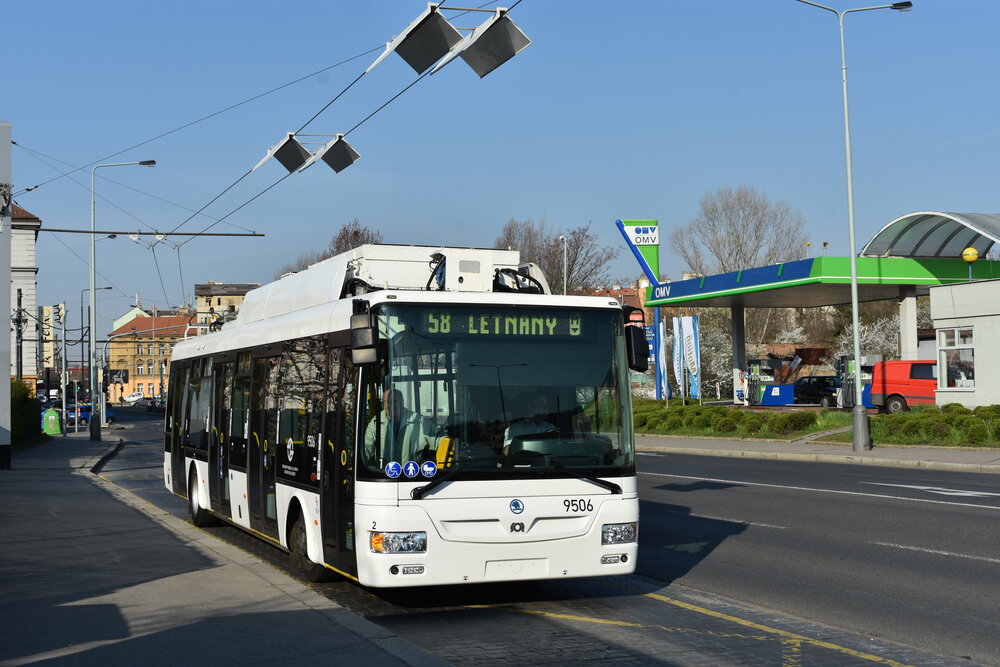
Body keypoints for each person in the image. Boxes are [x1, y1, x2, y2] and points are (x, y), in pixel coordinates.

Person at [364, 388, 436, 465]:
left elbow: (439, 439)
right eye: (386, 402)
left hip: (411, 474)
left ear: (401, 403)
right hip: (385, 474)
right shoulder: (376, 422)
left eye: (394, 402)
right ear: (384, 405)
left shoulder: (419, 421)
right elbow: (366, 447)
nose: (389, 405)